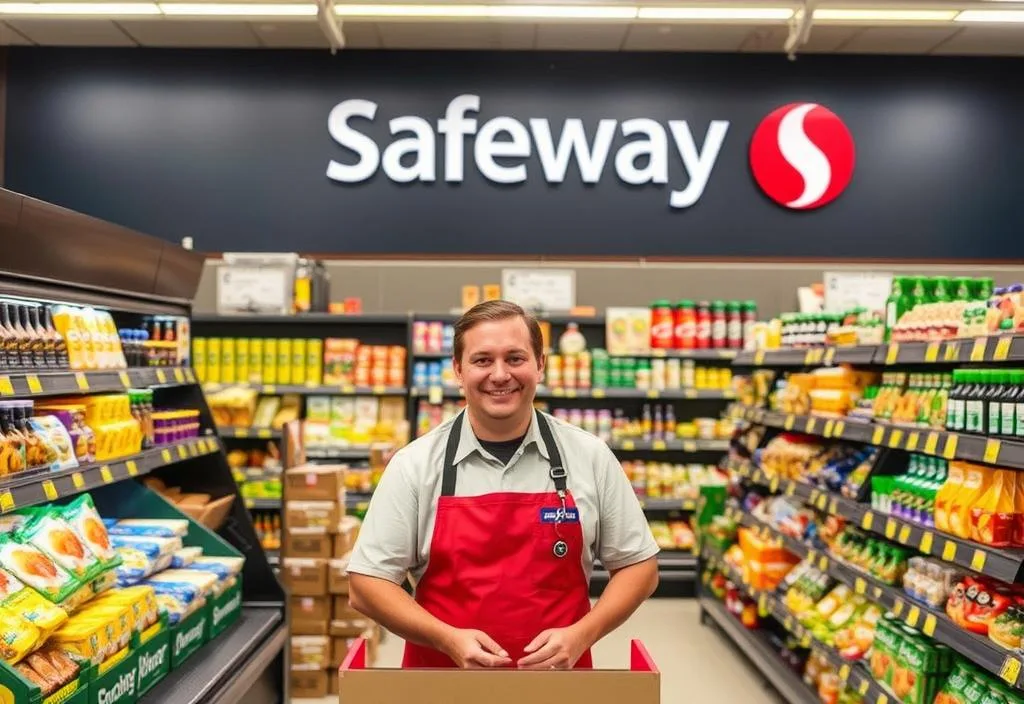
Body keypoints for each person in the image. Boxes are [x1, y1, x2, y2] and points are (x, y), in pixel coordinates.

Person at [347, 300, 659, 670]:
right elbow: (366, 584)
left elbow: (640, 567)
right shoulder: (414, 465)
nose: (499, 375)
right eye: (482, 360)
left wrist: (584, 633)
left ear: (540, 365)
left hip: (558, 686)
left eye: (515, 358)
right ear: (458, 371)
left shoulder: (589, 456)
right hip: (442, 684)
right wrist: (444, 637)